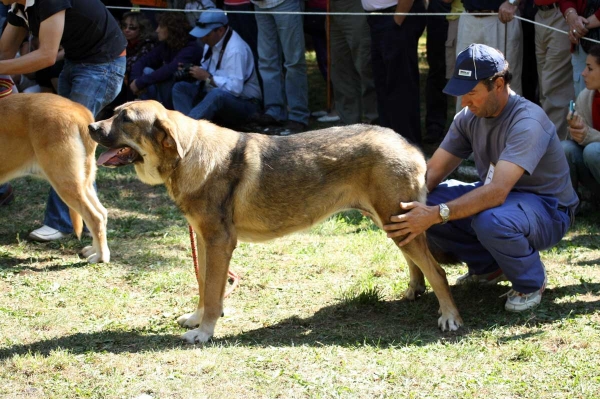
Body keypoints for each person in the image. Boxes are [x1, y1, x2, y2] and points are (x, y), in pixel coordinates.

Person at [383, 44, 579, 312]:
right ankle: (489, 267)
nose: (464, 101)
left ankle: (530, 281)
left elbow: (497, 192)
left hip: (549, 208)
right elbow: (432, 173)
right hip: (502, 201)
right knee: (416, 198)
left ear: (498, 84)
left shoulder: (527, 121)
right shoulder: (469, 116)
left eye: (472, 93)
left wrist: (434, 214)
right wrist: (399, 202)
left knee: (490, 220)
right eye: (462, 93)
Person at [0, 0, 126, 241]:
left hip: (103, 65)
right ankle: (92, 221)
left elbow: (46, 56)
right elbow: (5, 51)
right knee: (73, 153)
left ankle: (62, 223)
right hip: (75, 63)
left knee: (60, 144)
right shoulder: (19, 6)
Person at [171, 9, 261, 126]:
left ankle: (188, 129)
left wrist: (208, 78)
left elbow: (236, 89)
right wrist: (192, 71)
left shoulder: (235, 50)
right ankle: (187, 124)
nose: (202, 39)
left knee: (217, 94)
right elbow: (208, 70)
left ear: (220, 30)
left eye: (206, 35)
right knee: (179, 88)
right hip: (215, 95)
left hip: (246, 103)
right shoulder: (211, 43)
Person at [362, 0, 427, 146]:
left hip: (396, 15)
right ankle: (390, 145)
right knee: (383, 84)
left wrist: (397, 20)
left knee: (401, 86)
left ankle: (408, 146)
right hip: (377, 18)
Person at [250, 0, 310, 134]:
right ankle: (274, 111)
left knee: (294, 62)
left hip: (285, 2)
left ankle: (298, 116)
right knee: (267, 61)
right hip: (259, 5)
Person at [129, 11, 203, 110]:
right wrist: (135, 80)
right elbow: (142, 61)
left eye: (161, 27)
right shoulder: (165, 45)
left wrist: (139, 83)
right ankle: (146, 111)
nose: (157, 30)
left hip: (185, 95)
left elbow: (170, 69)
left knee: (153, 76)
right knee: (146, 70)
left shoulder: (191, 48)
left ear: (172, 29)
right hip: (166, 93)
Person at [328, 0, 378, 125]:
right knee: (340, 68)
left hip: (357, 6)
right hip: (334, 8)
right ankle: (348, 122)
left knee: (365, 66)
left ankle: (373, 122)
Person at [562, 44, 600, 206]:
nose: (584, 73)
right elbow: (578, 139)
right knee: (565, 148)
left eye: (590, 68)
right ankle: (569, 206)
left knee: (592, 151)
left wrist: (587, 135)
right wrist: (574, 129)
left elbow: (589, 139)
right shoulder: (586, 96)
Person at [559, 0, 600, 97]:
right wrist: (572, 16)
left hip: (582, 33)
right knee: (582, 97)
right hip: (581, 43)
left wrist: (580, 26)